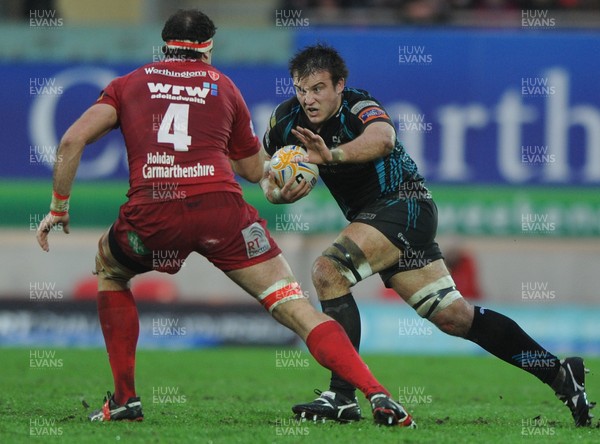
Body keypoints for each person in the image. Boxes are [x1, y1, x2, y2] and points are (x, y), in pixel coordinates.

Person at [35, 10, 416, 428]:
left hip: (153, 214)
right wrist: (280, 188)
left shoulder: (129, 84)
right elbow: (255, 171)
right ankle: (377, 394)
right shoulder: (224, 88)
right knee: (293, 304)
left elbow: (72, 139)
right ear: (208, 48)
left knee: (110, 269)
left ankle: (125, 399)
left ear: (164, 45)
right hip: (223, 212)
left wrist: (59, 206)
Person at [261, 43, 594, 427]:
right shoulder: (285, 119)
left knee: (328, 271)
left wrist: (331, 156)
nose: (309, 99)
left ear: (340, 85)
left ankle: (342, 395)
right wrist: (278, 194)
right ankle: (560, 374)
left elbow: (383, 138)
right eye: (301, 90)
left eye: (318, 88)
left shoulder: (357, 105)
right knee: (455, 317)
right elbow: (263, 171)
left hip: (406, 205)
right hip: (378, 222)